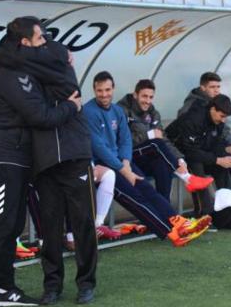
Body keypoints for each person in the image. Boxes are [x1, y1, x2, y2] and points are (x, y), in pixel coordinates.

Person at [0, 16, 81, 307]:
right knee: (0, 224)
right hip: (0, 156)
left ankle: (5, 288)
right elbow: (40, 116)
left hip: (17, 156)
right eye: (40, 39)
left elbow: (52, 56)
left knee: (14, 225)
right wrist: (71, 106)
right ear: (24, 43)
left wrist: (62, 53)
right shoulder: (8, 74)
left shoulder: (23, 65)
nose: (46, 43)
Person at [84, 71, 211, 247]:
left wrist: (126, 163)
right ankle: (172, 233)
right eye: (100, 90)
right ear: (94, 90)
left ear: (113, 89)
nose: (104, 94)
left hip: (122, 163)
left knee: (146, 189)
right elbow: (98, 147)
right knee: (137, 199)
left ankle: (179, 222)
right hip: (104, 167)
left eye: (107, 90)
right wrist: (123, 170)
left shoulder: (117, 111)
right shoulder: (89, 112)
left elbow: (125, 139)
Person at [117, 79, 213, 199]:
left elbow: (164, 139)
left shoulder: (153, 113)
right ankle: (188, 178)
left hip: (147, 157)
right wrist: (148, 135)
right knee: (155, 143)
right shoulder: (121, 111)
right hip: (129, 158)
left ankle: (167, 212)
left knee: (162, 165)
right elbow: (121, 141)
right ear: (135, 95)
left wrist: (179, 159)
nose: (148, 101)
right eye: (144, 96)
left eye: (151, 97)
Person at [178, 72, 231, 198]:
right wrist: (225, 150)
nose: (216, 90)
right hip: (198, 153)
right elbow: (190, 141)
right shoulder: (192, 107)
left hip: (215, 146)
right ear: (203, 88)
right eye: (212, 87)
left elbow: (223, 130)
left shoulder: (218, 103)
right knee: (230, 159)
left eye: (218, 87)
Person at [167, 94, 231, 217]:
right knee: (196, 164)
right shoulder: (194, 119)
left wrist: (226, 149)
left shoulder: (217, 121)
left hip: (196, 152)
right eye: (222, 116)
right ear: (212, 109)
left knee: (224, 162)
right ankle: (205, 212)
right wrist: (217, 160)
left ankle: (228, 206)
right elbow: (190, 151)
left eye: (225, 117)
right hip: (176, 156)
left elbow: (214, 143)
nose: (223, 120)